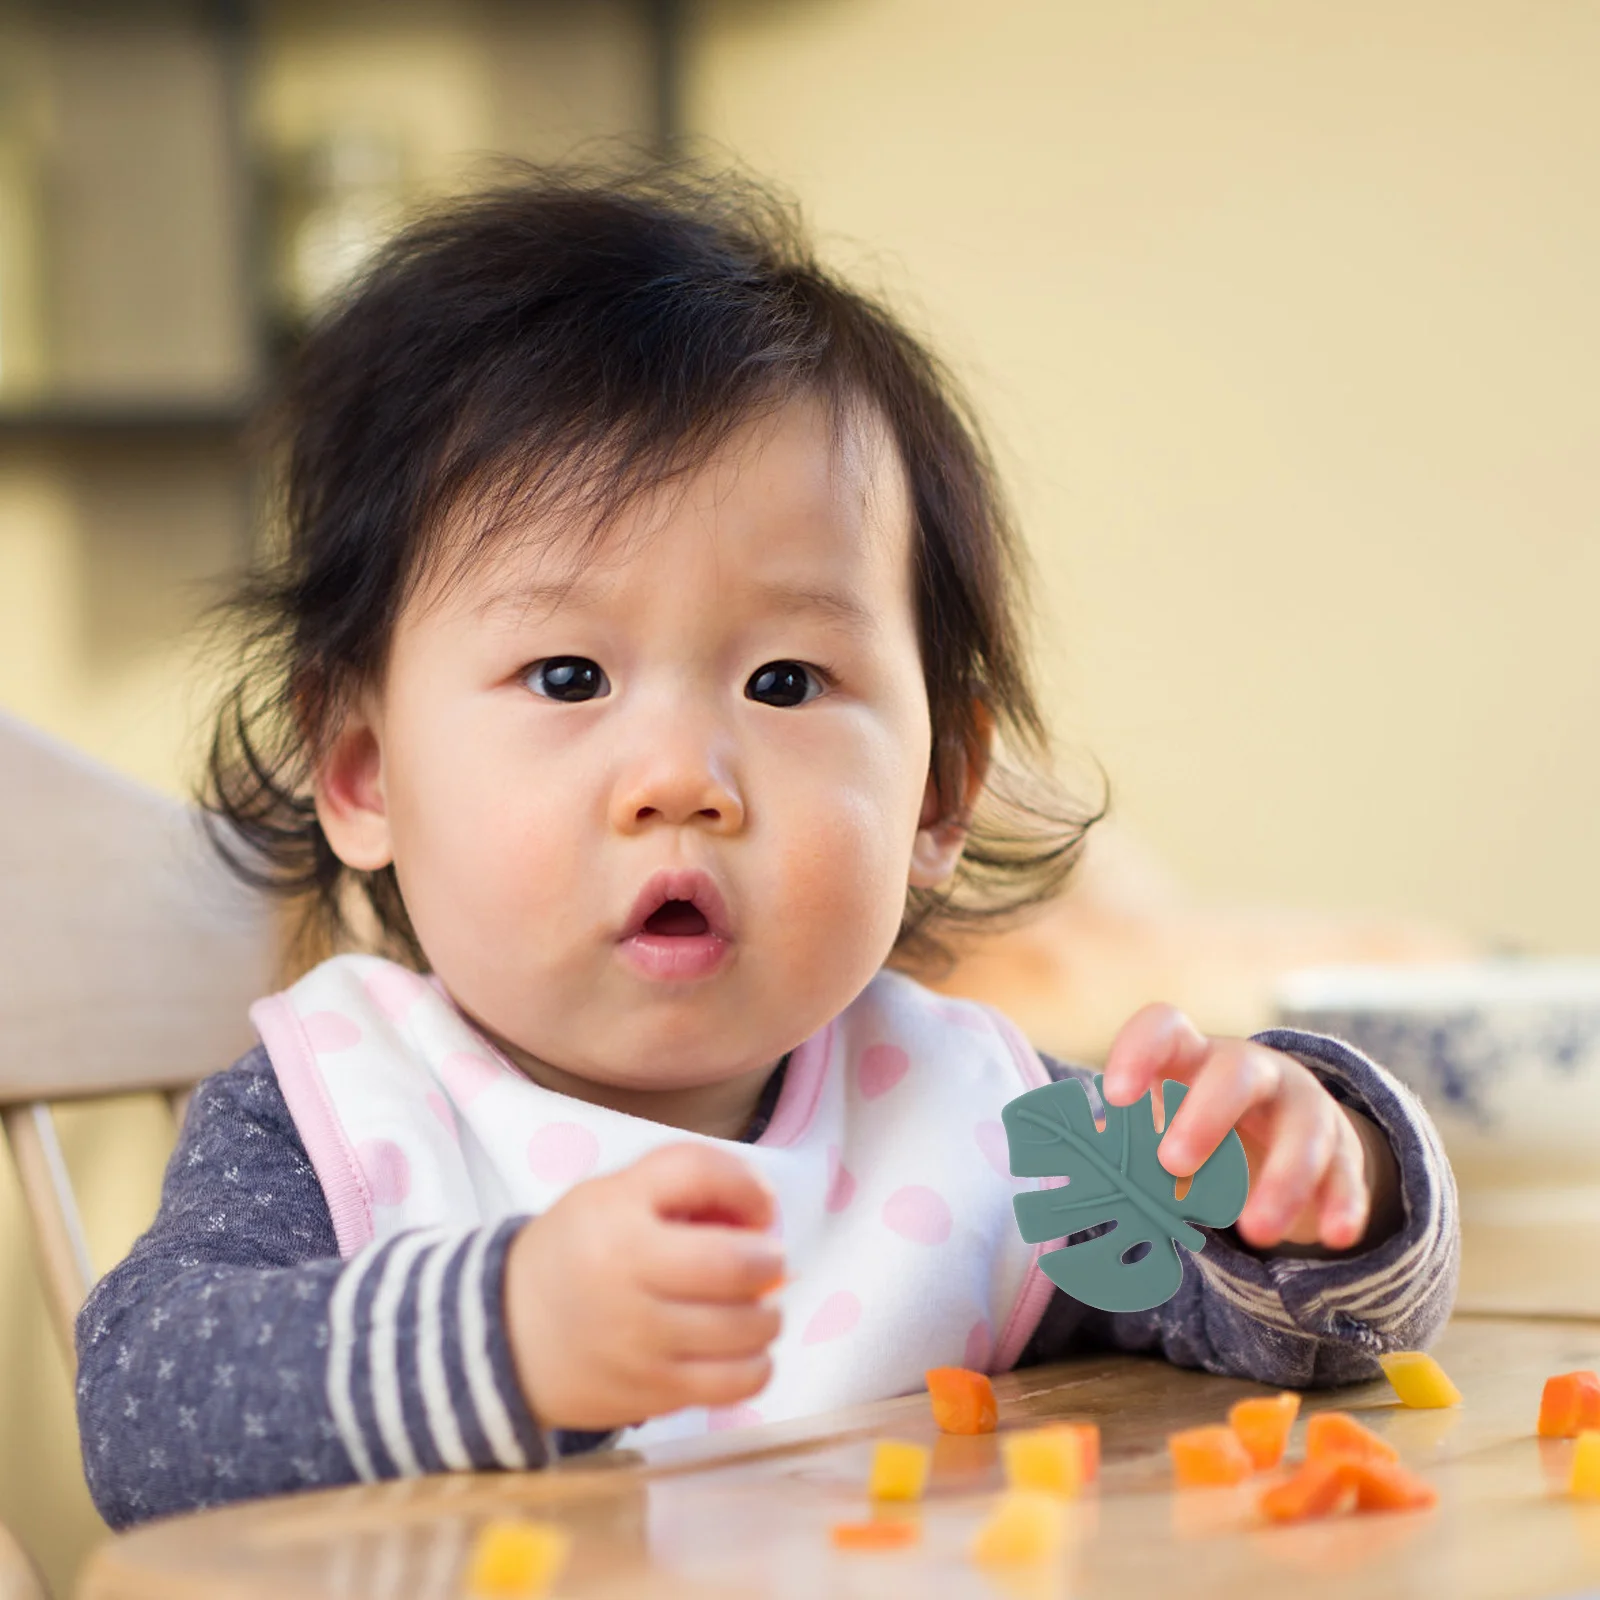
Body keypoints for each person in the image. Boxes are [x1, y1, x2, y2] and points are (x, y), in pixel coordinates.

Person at [75, 165, 1456, 1528]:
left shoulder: (971, 1123)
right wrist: (509, 1334)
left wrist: (1314, 1179)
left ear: (937, 794)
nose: (682, 779)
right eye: (567, 678)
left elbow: (1318, 1341)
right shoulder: (344, 1115)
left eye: (786, 683)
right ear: (363, 769)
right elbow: (145, 1413)